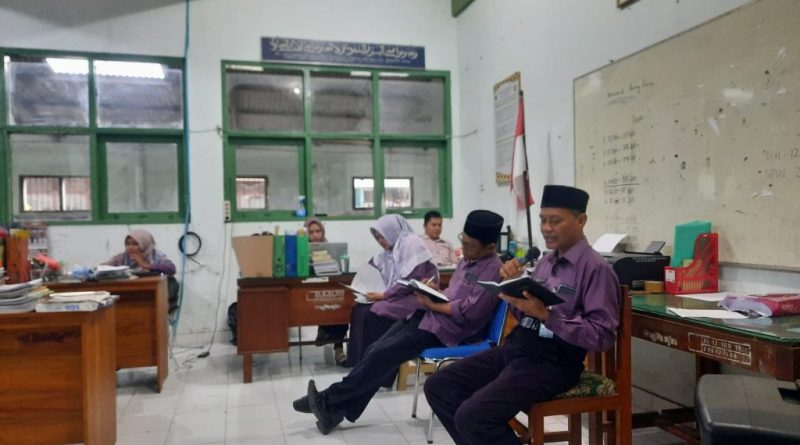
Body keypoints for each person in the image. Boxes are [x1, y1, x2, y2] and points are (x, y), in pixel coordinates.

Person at [424, 185, 620, 445]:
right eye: (542, 220)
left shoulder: (595, 269)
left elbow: (602, 336)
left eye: (555, 221)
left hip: (553, 362)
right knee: (439, 386)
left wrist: (548, 316)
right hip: (516, 350)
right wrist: (512, 292)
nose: (546, 228)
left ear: (581, 220)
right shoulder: (545, 263)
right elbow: (528, 315)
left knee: (473, 417)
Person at [293, 210, 505, 435]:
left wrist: (432, 304)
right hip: (432, 317)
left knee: (381, 354)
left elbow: (470, 311)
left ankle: (327, 400)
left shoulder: (493, 270)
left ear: (490, 247)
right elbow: (453, 294)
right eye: (464, 241)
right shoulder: (467, 261)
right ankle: (335, 409)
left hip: (451, 330)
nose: (465, 248)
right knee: (375, 350)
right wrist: (434, 291)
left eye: (471, 246)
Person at [346, 214, 438, 368]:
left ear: (392, 231)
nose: (380, 241)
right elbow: (375, 264)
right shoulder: (391, 249)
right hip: (399, 295)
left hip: (419, 296)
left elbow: (411, 281)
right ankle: (359, 364)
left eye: (382, 236)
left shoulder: (412, 244)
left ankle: (377, 366)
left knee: (375, 310)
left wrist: (384, 295)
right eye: (376, 238)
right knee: (359, 309)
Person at [306, 217, 348, 366]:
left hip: (326, 287)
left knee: (340, 306)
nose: (315, 235)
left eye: (318, 231)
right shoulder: (301, 249)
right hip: (308, 289)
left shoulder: (330, 248)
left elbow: (336, 270)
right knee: (326, 303)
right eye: (311, 232)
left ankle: (337, 347)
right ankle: (324, 331)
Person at [106, 229, 176, 276]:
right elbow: (103, 268)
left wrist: (144, 265)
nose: (130, 247)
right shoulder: (122, 257)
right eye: (127, 244)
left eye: (135, 244)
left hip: (153, 288)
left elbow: (171, 269)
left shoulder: (155, 255)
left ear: (144, 244)